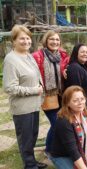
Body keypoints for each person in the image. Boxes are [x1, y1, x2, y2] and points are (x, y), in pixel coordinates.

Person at [3, 25, 47, 169]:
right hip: (22, 108)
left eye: (28, 38)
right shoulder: (11, 60)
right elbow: (9, 87)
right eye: (22, 38)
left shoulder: (28, 55)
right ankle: (29, 165)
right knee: (26, 139)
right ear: (14, 40)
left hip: (33, 105)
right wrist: (34, 90)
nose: (26, 41)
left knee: (32, 136)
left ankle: (31, 161)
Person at [32, 30, 70, 155]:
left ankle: (54, 147)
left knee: (61, 123)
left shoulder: (63, 55)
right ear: (46, 41)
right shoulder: (38, 56)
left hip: (61, 94)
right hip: (47, 95)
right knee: (56, 123)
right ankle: (49, 149)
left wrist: (66, 71)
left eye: (57, 39)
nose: (55, 42)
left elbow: (68, 68)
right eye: (51, 39)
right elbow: (33, 74)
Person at [64, 44, 87, 109]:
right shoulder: (75, 68)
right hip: (79, 107)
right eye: (82, 52)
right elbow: (75, 91)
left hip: (85, 106)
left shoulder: (84, 67)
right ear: (76, 53)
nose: (85, 54)